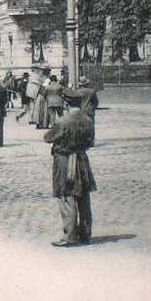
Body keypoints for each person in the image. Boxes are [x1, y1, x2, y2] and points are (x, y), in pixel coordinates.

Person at [44, 108, 96, 246]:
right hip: (82, 159)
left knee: (66, 195)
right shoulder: (88, 121)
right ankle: (85, 234)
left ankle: (70, 235)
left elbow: (48, 137)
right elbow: (91, 143)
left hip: (64, 161)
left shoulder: (62, 121)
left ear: (67, 104)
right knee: (83, 195)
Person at [62, 76, 99, 145]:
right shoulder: (92, 91)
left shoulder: (78, 92)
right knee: (91, 126)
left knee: (82, 126)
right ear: (87, 84)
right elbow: (96, 102)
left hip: (81, 110)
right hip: (90, 110)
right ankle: (91, 141)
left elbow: (73, 100)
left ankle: (83, 140)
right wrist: (94, 107)